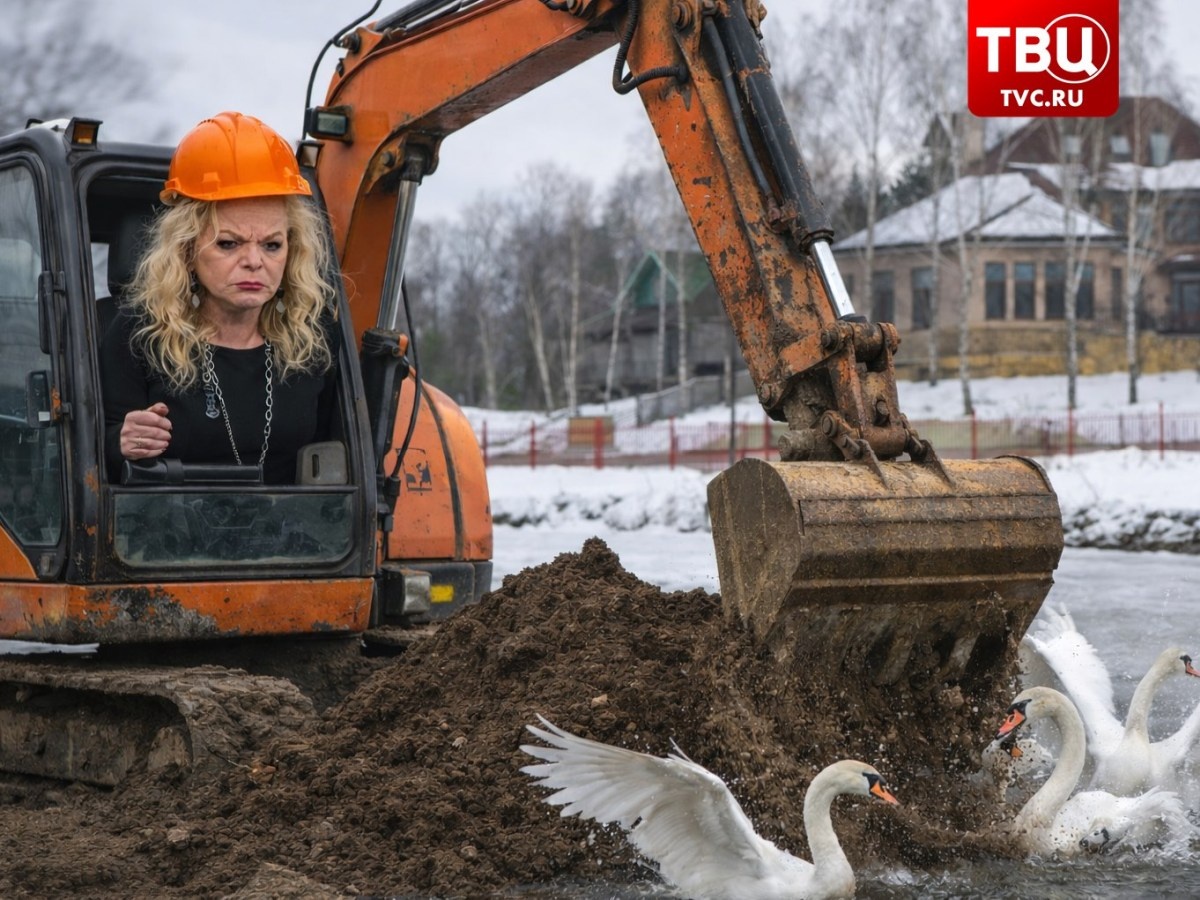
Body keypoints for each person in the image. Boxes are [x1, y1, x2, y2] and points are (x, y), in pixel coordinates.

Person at [100, 111, 339, 485]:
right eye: (228, 244)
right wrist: (121, 441)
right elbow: (94, 456)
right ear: (188, 251)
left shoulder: (314, 339)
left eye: (272, 245)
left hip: (291, 535)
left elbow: (335, 457)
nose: (254, 262)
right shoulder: (139, 334)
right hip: (164, 533)